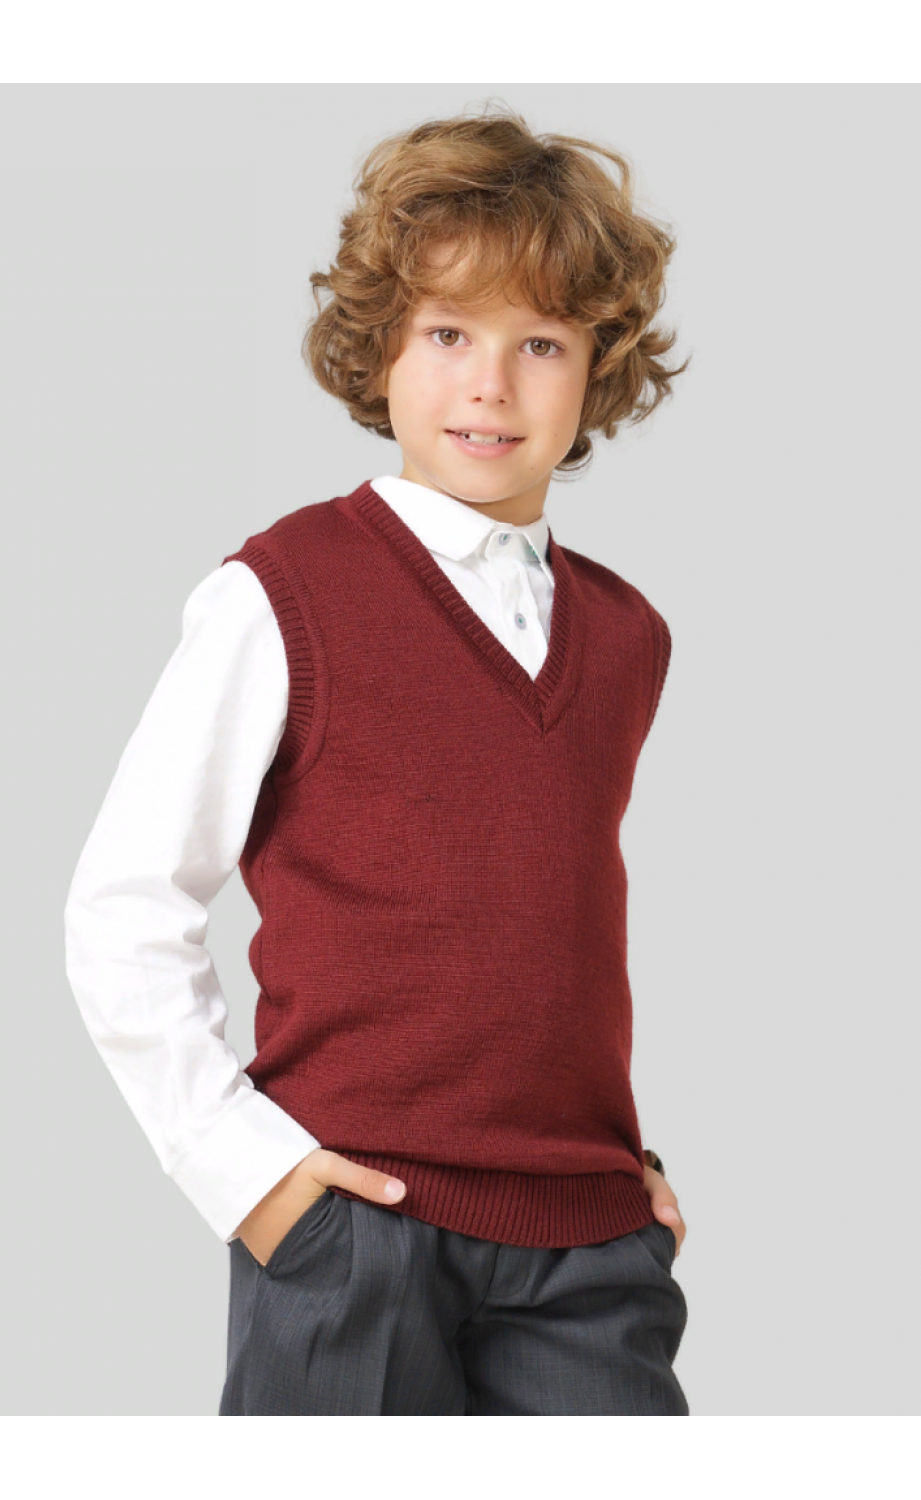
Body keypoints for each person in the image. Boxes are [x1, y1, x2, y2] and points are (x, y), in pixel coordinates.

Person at [64, 102, 693, 1416]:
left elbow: (551, 931)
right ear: (383, 345)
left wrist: (618, 1170)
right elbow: (124, 905)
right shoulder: (286, 592)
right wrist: (248, 1177)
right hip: (356, 1223)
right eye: (450, 333)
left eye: (541, 342)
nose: (491, 384)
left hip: (587, 1237)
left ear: (598, 369)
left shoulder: (628, 634)